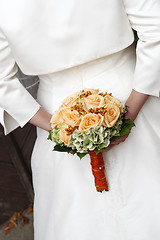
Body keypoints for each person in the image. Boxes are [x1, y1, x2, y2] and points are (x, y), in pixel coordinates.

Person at [0, 0, 160, 239]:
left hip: (57, 111)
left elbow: (3, 83)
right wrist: (131, 111)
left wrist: (62, 130)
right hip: (129, 90)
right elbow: (156, 29)